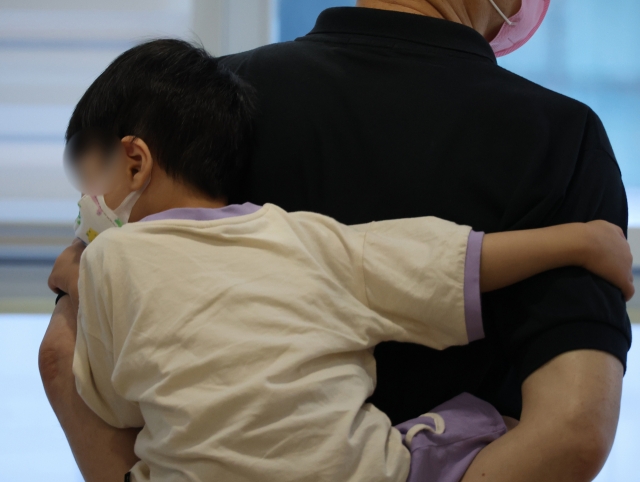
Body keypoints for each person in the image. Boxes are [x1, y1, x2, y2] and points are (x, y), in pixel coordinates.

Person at [42, 1, 632, 481]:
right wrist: (583, 242)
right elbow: (574, 431)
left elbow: (64, 363)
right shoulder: (559, 136)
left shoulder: (200, 110)